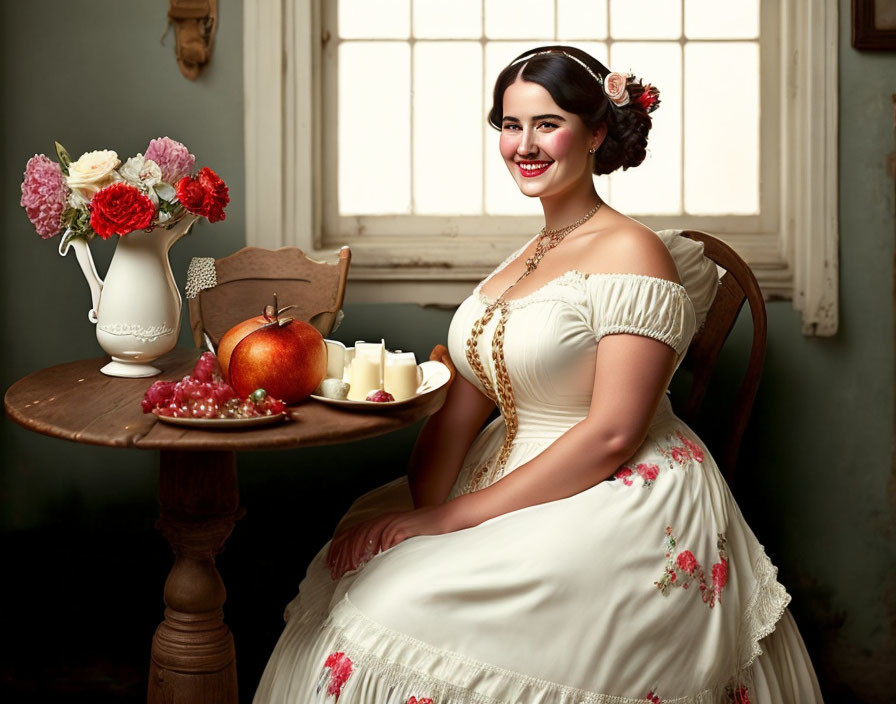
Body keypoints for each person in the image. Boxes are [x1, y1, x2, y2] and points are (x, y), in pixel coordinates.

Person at [254, 45, 823, 703]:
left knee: (399, 603)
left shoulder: (630, 250)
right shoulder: (523, 258)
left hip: (611, 485)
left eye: (547, 123)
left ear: (597, 131)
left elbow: (612, 434)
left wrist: (444, 525)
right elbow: (461, 413)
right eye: (509, 124)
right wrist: (423, 511)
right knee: (362, 569)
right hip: (509, 473)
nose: (524, 144)